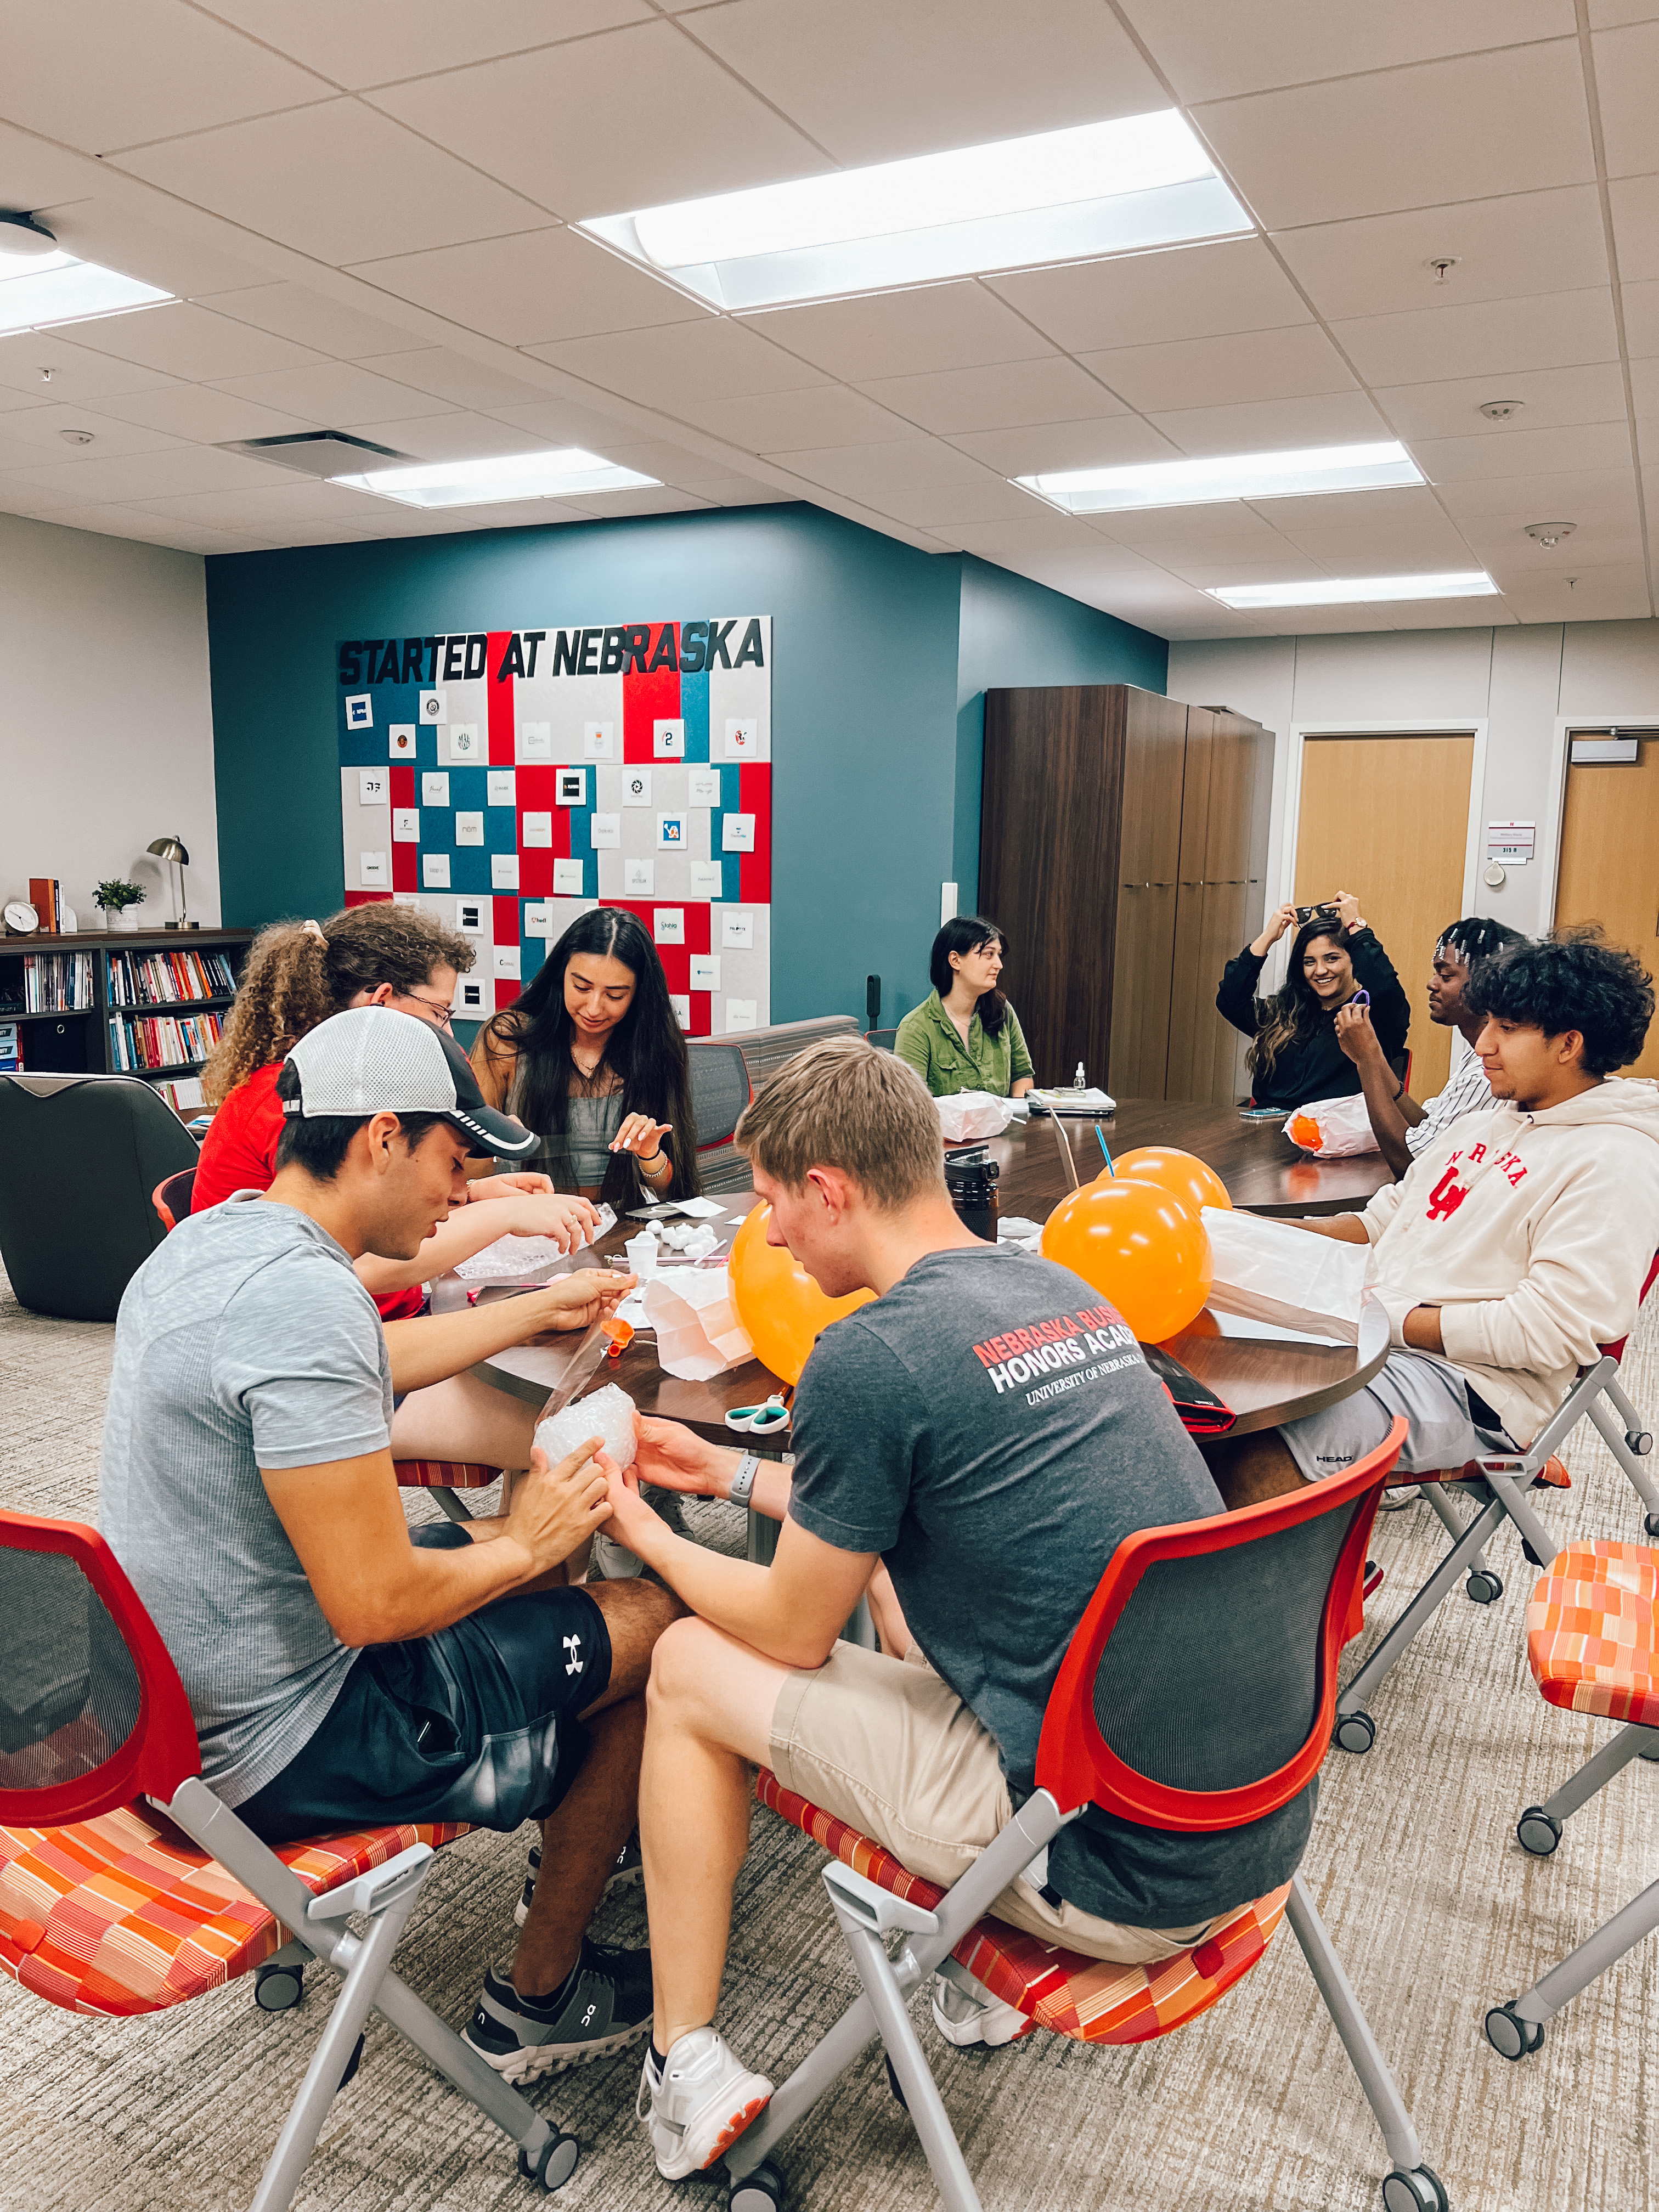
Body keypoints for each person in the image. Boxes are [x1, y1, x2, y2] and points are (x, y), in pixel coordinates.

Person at [584, 1039, 1314, 2180]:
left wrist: (636, 1529)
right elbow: (899, 1512)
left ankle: (681, 2065)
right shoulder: (1058, 1285)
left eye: (773, 1203)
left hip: (1113, 1864)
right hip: (1241, 1809)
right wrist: (724, 1476)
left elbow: (790, 1628)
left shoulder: (867, 1356)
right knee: (904, 1608)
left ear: (829, 1191)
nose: (766, 1235)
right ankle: (974, 1979)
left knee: (682, 1663)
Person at [99, 1007, 683, 2078]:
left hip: (163, 1711)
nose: (461, 1196)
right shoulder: (300, 1305)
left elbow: (364, 1351)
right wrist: (520, 1538)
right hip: (279, 1742)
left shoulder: (219, 1239)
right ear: (380, 1137)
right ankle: (540, 1999)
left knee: (540, 1575)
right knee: (654, 1628)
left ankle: (555, 1786)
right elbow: (371, 1605)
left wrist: (531, 1311)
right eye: (453, 1161)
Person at [1204, 932, 1659, 1510]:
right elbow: (1374, 1226)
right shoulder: (1487, 1125)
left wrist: (1384, 1316)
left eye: (1508, 1029)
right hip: (1371, 1333)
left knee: (1256, 1433)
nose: (1485, 1045)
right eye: (1487, 1023)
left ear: (1569, 1044)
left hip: (1476, 1385)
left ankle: (1281, 1595)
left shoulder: (1616, 1160)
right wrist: (1230, 1228)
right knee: (1203, 1384)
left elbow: (1547, 1330)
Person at [194, 905, 602, 1475]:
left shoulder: (318, 1097)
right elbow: (353, 1280)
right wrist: (500, 1219)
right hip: (344, 1364)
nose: (447, 1033)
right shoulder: (302, 1109)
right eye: (439, 1013)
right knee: (572, 1429)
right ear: (381, 1000)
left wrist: (480, 1197)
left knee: (560, 1375)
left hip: (373, 1336)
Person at [473, 906, 699, 1206]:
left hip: (623, 1227)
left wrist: (650, 1155)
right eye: (581, 987)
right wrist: (494, 1146)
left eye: (615, 995)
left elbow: (671, 1193)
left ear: (638, 994)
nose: (593, 1008)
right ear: (560, 975)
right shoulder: (509, 1039)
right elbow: (464, 1172)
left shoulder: (655, 1048)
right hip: (529, 1224)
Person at [1334, 915, 1526, 1177]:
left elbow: (1411, 1165)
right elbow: (1429, 1126)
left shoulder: (1487, 1070)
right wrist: (1375, 1054)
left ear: (1487, 986)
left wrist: (1365, 1061)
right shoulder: (1474, 1054)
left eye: (1445, 975)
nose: (1432, 984)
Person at [1217, 893, 1409, 1113]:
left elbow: (1385, 988)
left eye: (1332, 958)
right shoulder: (1283, 1014)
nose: (1320, 971)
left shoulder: (1367, 1017)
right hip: (1268, 1131)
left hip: (1337, 1139)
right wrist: (1268, 938)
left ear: (1353, 960)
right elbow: (1230, 1000)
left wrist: (1357, 927)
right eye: (1310, 962)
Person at [894, 915, 1036, 1098]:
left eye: (999, 955)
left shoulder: (1002, 1011)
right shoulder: (916, 1027)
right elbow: (910, 1104)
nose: (999, 965)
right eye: (988, 954)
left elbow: (1022, 1076)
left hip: (1002, 1126)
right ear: (955, 960)